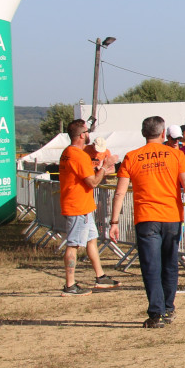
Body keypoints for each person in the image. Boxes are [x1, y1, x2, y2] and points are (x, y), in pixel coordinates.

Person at [109, 116, 185, 328]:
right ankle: (168, 308)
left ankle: (156, 313)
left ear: (143, 133)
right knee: (169, 263)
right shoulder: (176, 154)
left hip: (146, 217)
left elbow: (119, 193)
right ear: (163, 134)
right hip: (171, 217)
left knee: (151, 266)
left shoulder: (131, 157)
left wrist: (114, 221)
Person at [57, 119, 119, 295]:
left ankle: (100, 277)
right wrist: (105, 167)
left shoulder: (68, 152)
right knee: (74, 244)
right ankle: (70, 285)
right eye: (86, 131)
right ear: (82, 135)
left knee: (91, 239)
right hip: (78, 206)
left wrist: (101, 171)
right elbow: (91, 183)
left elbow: (84, 176)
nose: (88, 134)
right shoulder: (79, 155)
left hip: (80, 204)